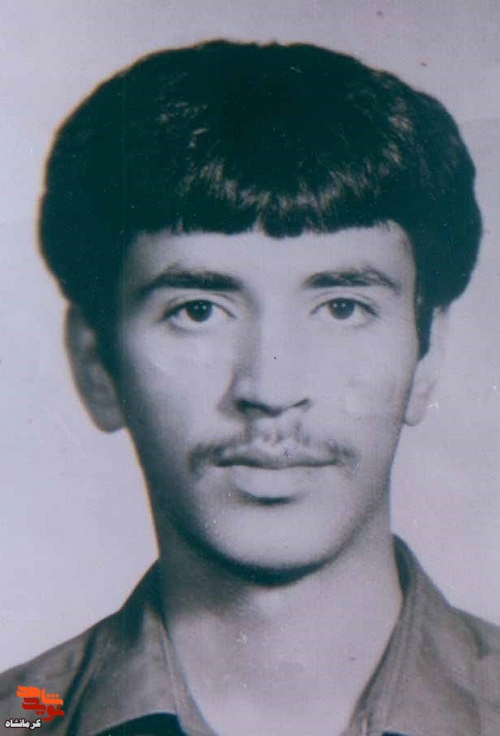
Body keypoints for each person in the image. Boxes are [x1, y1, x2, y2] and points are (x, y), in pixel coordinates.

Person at [0, 40, 498, 736]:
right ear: (96, 364)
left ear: (427, 356)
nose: (270, 387)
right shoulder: (20, 720)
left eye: (342, 307)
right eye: (198, 310)